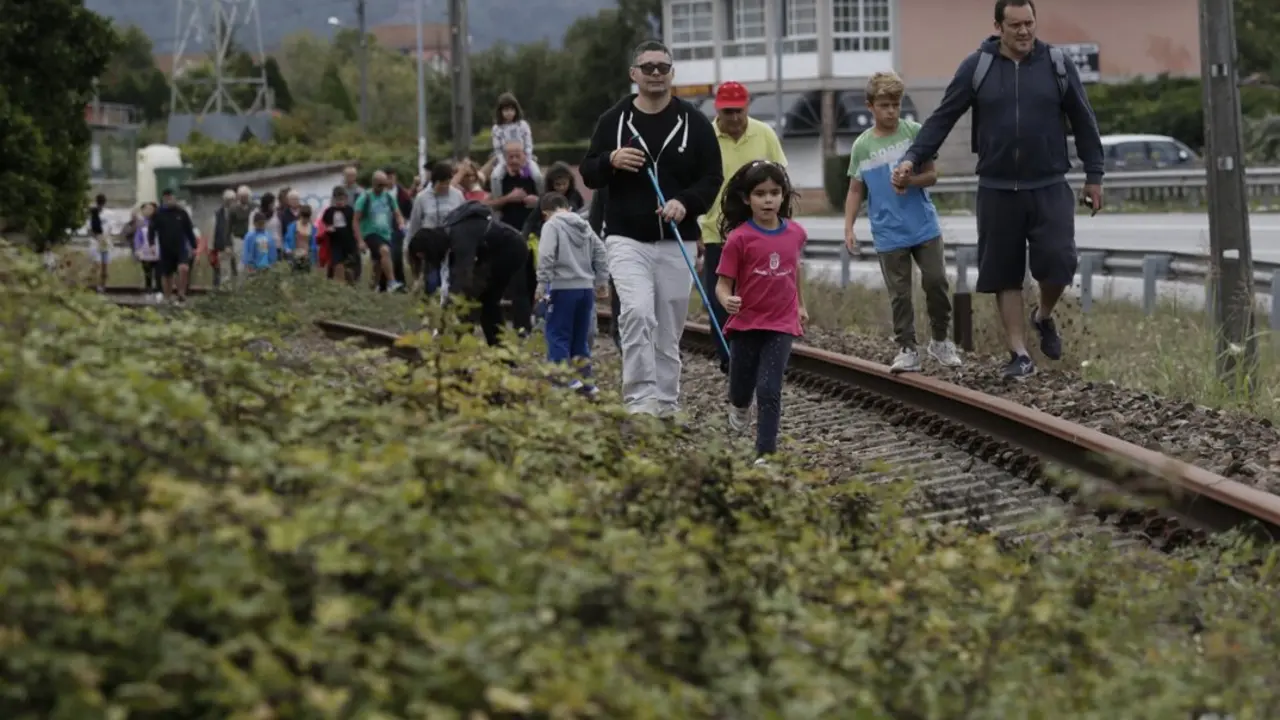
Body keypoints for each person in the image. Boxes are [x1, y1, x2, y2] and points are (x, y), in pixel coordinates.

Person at [890, 0, 1104, 380]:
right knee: (1004, 273)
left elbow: (1083, 120)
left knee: (1058, 263)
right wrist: (912, 157)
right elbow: (943, 117)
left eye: (1029, 23)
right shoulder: (978, 67)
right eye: (1016, 25)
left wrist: (1094, 174)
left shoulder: (1056, 64)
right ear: (998, 26)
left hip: (1049, 182)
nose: (1024, 32)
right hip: (997, 187)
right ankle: (1019, 354)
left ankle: (1043, 315)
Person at [579, 39, 724, 418]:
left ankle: (666, 400)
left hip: (679, 239)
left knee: (670, 323)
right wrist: (610, 159)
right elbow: (589, 171)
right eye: (648, 68)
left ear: (672, 73)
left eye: (662, 67)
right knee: (638, 313)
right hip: (626, 236)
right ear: (634, 74)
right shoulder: (614, 121)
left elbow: (712, 178)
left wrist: (686, 202)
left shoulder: (694, 121)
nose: (656, 74)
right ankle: (639, 399)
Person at [846, 71, 964, 374]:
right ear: (870, 106)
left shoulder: (914, 132)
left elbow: (932, 175)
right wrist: (849, 228)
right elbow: (856, 189)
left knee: (936, 281)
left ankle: (940, 340)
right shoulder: (862, 146)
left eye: (896, 104)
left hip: (923, 225)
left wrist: (910, 181)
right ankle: (907, 347)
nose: (891, 111)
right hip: (888, 231)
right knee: (900, 294)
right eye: (885, 105)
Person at [714, 161, 808, 465]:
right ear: (746, 199)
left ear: (783, 196)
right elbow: (722, 285)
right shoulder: (738, 239)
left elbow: (795, 271)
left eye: (775, 193)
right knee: (741, 390)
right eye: (760, 194)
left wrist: (801, 305)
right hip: (746, 324)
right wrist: (727, 300)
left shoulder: (795, 233)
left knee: (769, 389)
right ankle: (739, 407)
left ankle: (765, 454)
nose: (768, 200)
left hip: (781, 322)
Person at [698, 81, 788, 374]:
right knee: (720, 296)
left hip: (760, 231)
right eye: (728, 112)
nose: (734, 118)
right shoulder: (705, 137)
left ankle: (760, 352)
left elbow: (782, 178)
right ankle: (729, 358)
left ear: (747, 107)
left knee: (760, 292)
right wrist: (697, 227)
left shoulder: (764, 134)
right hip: (716, 231)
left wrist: (784, 223)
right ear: (717, 110)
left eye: (739, 111)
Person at [412, 201, 529, 346]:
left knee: (480, 299)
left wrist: (449, 310)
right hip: (497, 252)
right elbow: (453, 278)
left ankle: (464, 345)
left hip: (511, 250)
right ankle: (498, 349)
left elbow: (462, 277)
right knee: (485, 302)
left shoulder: (460, 238)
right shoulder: (450, 234)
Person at [534, 192, 609, 395]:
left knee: (557, 334)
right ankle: (587, 382)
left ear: (545, 213)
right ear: (568, 207)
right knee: (579, 338)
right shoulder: (584, 225)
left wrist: (541, 283)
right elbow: (601, 251)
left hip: (562, 287)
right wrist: (601, 280)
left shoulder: (551, 225)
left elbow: (546, 255)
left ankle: (563, 379)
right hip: (585, 289)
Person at [489, 142, 541, 335]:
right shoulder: (499, 179)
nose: (514, 160)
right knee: (517, 284)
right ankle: (522, 327)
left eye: (517, 155)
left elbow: (550, 200)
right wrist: (508, 199)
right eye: (510, 156)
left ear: (524, 156)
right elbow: (490, 205)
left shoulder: (534, 178)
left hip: (534, 237)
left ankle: (535, 319)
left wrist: (537, 201)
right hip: (510, 238)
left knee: (534, 282)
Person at [407, 160, 467, 294]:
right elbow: (415, 224)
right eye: (442, 183)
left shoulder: (457, 195)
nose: (445, 186)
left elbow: (463, 218)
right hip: (430, 245)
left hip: (452, 244)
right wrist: (411, 247)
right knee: (433, 281)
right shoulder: (422, 198)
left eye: (448, 182)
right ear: (435, 181)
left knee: (451, 281)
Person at [353, 170, 405, 293]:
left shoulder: (388, 197)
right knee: (384, 251)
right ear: (373, 183)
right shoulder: (365, 197)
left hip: (385, 233)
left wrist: (401, 222)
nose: (382, 188)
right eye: (379, 185)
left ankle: (372, 290)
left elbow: (397, 213)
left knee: (378, 264)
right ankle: (392, 282)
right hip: (370, 233)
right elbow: (355, 220)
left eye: (384, 185)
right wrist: (360, 240)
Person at [147, 189, 197, 303]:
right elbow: (151, 230)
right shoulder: (158, 214)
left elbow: (189, 230)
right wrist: (152, 244)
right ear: (163, 199)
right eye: (166, 199)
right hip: (165, 248)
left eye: (171, 198)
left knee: (183, 268)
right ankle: (167, 297)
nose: (169, 201)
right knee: (167, 274)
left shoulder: (181, 213)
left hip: (180, 247)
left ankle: (181, 292)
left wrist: (194, 246)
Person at [488, 92, 544, 192]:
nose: (509, 113)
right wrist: (506, 165)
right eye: (506, 110)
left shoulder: (523, 125)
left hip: (524, 158)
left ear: (516, 110)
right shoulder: (497, 128)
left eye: (511, 109)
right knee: (495, 177)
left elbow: (528, 145)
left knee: (538, 176)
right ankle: (497, 203)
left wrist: (525, 161)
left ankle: (542, 200)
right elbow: (498, 150)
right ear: (500, 111)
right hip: (505, 161)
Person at [321, 186, 358, 284]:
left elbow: (355, 226)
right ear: (333, 199)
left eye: (341, 199)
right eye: (337, 199)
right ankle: (339, 285)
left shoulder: (350, 210)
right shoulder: (329, 212)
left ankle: (351, 285)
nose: (339, 202)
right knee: (338, 264)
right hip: (335, 243)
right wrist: (328, 228)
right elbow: (323, 224)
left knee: (350, 267)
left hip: (349, 242)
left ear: (346, 199)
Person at [211, 188, 238, 288]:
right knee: (223, 273)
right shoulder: (218, 215)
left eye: (233, 200)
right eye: (229, 200)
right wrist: (213, 249)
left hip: (236, 245)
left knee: (237, 272)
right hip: (222, 248)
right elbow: (214, 232)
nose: (231, 202)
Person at [132, 202, 160, 297]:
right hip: (145, 251)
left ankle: (159, 291)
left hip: (157, 251)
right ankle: (148, 290)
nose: (148, 211)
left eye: (150, 209)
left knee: (158, 273)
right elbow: (137, 237)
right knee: (147, 272)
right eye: (146, 209)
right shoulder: (141, 223)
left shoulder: (159, 221)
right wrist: (137, 249)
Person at [284, 204, 319, 272]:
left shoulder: (313, 228)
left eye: (307, 217)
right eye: (303, 217)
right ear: (300, 215)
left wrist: (311, 254)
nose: (305, 219)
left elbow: (314, 245)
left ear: (309, 217)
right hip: (294, 257)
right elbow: (286, 240)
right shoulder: (293, 226)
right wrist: (287, 249)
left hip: (307, 258)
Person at [88, 193, 109, 291]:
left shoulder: (108, 214)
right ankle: (95, 285)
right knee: (96, 264)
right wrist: (97, 237)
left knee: (104, 265)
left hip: (105, 241)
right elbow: (89, 229)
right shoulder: (92, 213)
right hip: (96, 241)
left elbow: (110, 228)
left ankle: (102, 286)